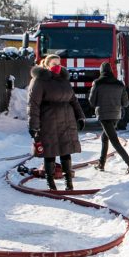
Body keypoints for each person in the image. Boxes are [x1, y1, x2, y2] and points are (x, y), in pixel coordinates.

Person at [28, 54, 85, 191]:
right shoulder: (39, 81)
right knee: (50, 152)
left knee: (66, 152)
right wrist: (33, 125)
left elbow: (73, 100)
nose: (57, 66)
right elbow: (33, 104)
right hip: (48, 121)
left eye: (59, 63)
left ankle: (69, 183)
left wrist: (80, 116)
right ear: (47, 65)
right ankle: (51, 183)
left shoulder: (64, 80)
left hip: (67, 120)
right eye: (54, 63)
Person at [88, 62, 129, 174]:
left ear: (101, 71)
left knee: (114, 141)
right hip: (116, 115)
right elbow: (125, 103)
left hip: (103, 115)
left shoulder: (97, 83)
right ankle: (101, 163)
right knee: (105, 138)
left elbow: (92, 101)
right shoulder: (120, 84)